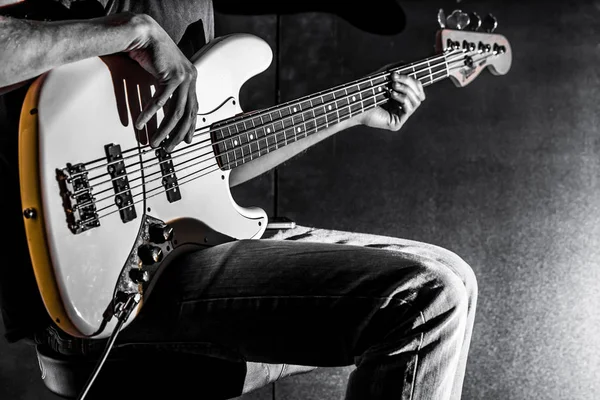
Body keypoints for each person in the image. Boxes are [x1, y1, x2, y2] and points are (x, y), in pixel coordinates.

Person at [0, 1, 478, 399]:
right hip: (98, 271)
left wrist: (353, 112)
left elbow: (203, 161)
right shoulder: (135, 17)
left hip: (175, 245)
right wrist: (132, 32)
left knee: (454, 275)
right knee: (428, 297)